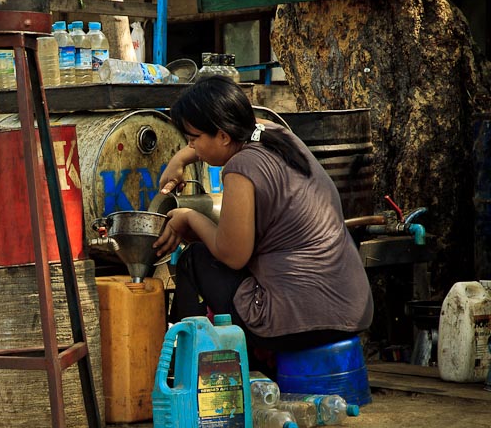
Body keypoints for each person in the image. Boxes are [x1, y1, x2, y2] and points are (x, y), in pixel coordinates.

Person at [153, 75, 372, 370]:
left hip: (295, 323)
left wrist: (189, 217)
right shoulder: (279, 136)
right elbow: (243, 125)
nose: (193, 147)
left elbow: (233, 255)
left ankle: (191, 373)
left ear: (223, 136)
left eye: (193, 139)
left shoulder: (241, 168)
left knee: (195, 260)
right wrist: (180, 159)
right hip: (352, 311)